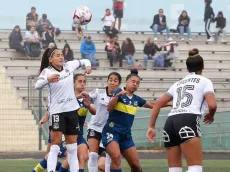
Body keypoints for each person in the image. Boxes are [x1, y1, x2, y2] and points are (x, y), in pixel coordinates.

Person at [146, 48, 217, 172]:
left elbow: (157, 104)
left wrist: (151, 127)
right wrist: (211, 115)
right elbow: (212, 105)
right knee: (195, 168)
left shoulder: (177, 84)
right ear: (203, 66)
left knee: (174, 169)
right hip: (188, 119)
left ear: (187, 69)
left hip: (170, 122)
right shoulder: (205, 81)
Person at [102, 69, 171, 172]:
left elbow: (153, 105)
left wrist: (169, 103)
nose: (135, 84)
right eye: (133, 81)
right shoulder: (119, 92)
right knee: (116, 158)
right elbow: (109, 108)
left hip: (126, 135)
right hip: (112, 132)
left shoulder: (136, 99)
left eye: (137, 83)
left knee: (136, 166)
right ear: (127, 82)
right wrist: (116, 96)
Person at [35, 48, 91, 172]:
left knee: (72, 148)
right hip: (57, 111)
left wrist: (88, 66)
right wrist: (48, 80)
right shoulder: (47, 71)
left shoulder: (69, 66)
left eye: (62, 55)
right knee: (55, 144)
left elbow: (85, 60)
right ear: (50, 59)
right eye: (57, 55)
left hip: (72, 111)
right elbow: (37, 85)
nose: (61, 57)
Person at [59, 73, 96, 172]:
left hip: (79, 135)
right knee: (71, 158)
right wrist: (75, 99)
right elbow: (61, 109)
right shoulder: (68, 96)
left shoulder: (87, 98)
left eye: (84, 82)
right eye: (80, 81)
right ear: (74, 83)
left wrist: (88, 105)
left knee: (84, 156)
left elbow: (94, 111)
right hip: (65, 135)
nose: (82, 84)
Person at [87, 72, 122, 172]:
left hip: (109, 130)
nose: (112, 82)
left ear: (119, 83)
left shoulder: (121, 95)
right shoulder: (98, 92)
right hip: (95, 127)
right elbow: (87, 99)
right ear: (107, 81)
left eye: (115, 80)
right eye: (110, 80)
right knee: (93, 155)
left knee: (108, 157)